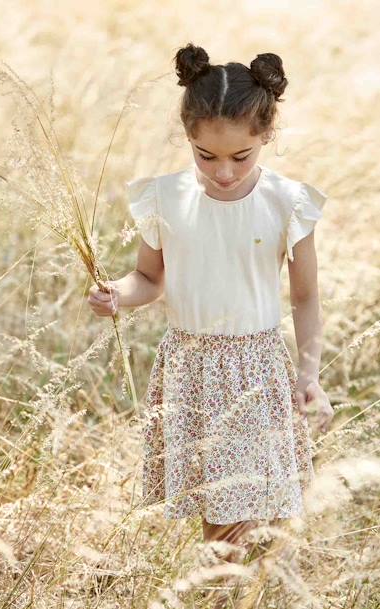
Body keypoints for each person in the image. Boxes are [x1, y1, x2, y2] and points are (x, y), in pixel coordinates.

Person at [88, 43, 334, 605]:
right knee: (222, 511)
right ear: (188, 137)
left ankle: (239, 591)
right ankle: (223, 594)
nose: (223, 172)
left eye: (240, 157)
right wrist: (114, 295)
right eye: (206, 156)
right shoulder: (166, 198)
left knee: (250, 508)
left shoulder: (286, 201)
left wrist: (308, 372)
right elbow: (149, 279)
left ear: (266, 136)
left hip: (255, 366)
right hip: (191, 366)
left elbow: (306, 295)